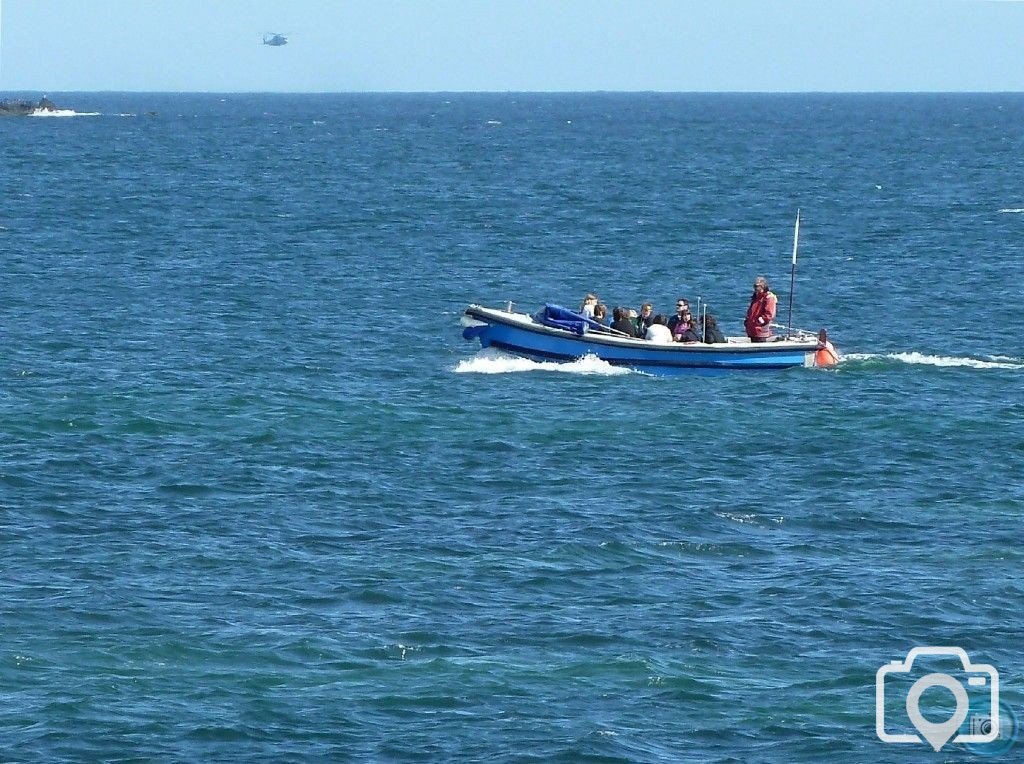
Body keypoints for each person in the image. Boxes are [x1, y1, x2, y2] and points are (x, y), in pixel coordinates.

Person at [744, 277, 777, 342]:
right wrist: (747, 322)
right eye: (754, 286)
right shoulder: (756, 297)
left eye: (757, 286)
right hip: (752, 331)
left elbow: (769, 315)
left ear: (763, 286)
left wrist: (758, 322)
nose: (755, 288)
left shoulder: (768, 298)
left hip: (761, 332)